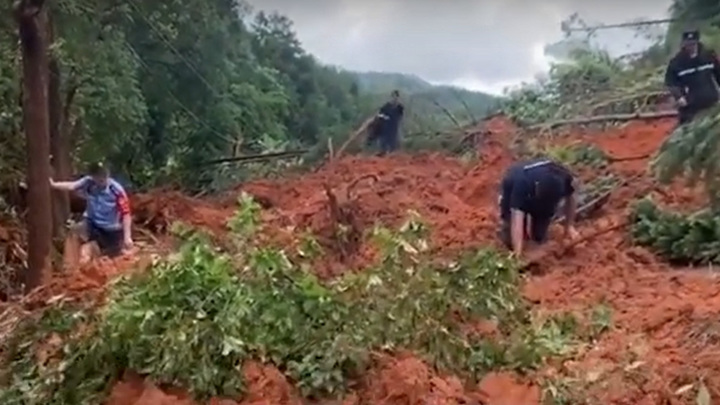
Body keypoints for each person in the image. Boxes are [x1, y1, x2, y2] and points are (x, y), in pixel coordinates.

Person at [498, 159, 579, 260]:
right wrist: (517, 254)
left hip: (539, 192)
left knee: (539, 235)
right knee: (510, 234)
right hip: (514, 183)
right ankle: (509, 240)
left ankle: (537, 240)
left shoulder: (564, 177)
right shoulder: (521, 185)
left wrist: (569, 226)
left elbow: (572, 197)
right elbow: (516, 219)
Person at [50, 162, 133, 259]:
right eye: (98, 175)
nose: (101, 178)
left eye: (103, 175)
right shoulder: (88, 183)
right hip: (92, 223)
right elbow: (72, 186)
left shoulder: (117, 191)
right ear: (93, 176)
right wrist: (54, 185)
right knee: (74, 233)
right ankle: (69, 267)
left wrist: (127, 236)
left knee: (103, 255)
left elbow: (126, 214)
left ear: (108, 174)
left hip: (110, 230)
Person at [664, 29, 720, 125]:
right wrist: (679, 97)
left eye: (693, 44)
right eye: (688, 44)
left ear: (697, 42)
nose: (691, 47)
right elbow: (671, 82)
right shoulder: (676, 62)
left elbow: (718, 74)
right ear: (684, 44)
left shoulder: (709, 56)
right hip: (689, 106)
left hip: (711, 100)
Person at [367, 90, 404, 155]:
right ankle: (383, 151)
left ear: (398, 98)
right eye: (393, 96)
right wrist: (383, 117)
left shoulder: (399, 107)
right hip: (385, 126)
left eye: (396, 97)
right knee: (383, 140)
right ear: (391, 97)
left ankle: (392, 152)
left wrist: (394, 119)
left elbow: (400, 116)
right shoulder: (387, 106)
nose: (394, 98)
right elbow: (380, 113)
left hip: (394, 126)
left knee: (393, 139)